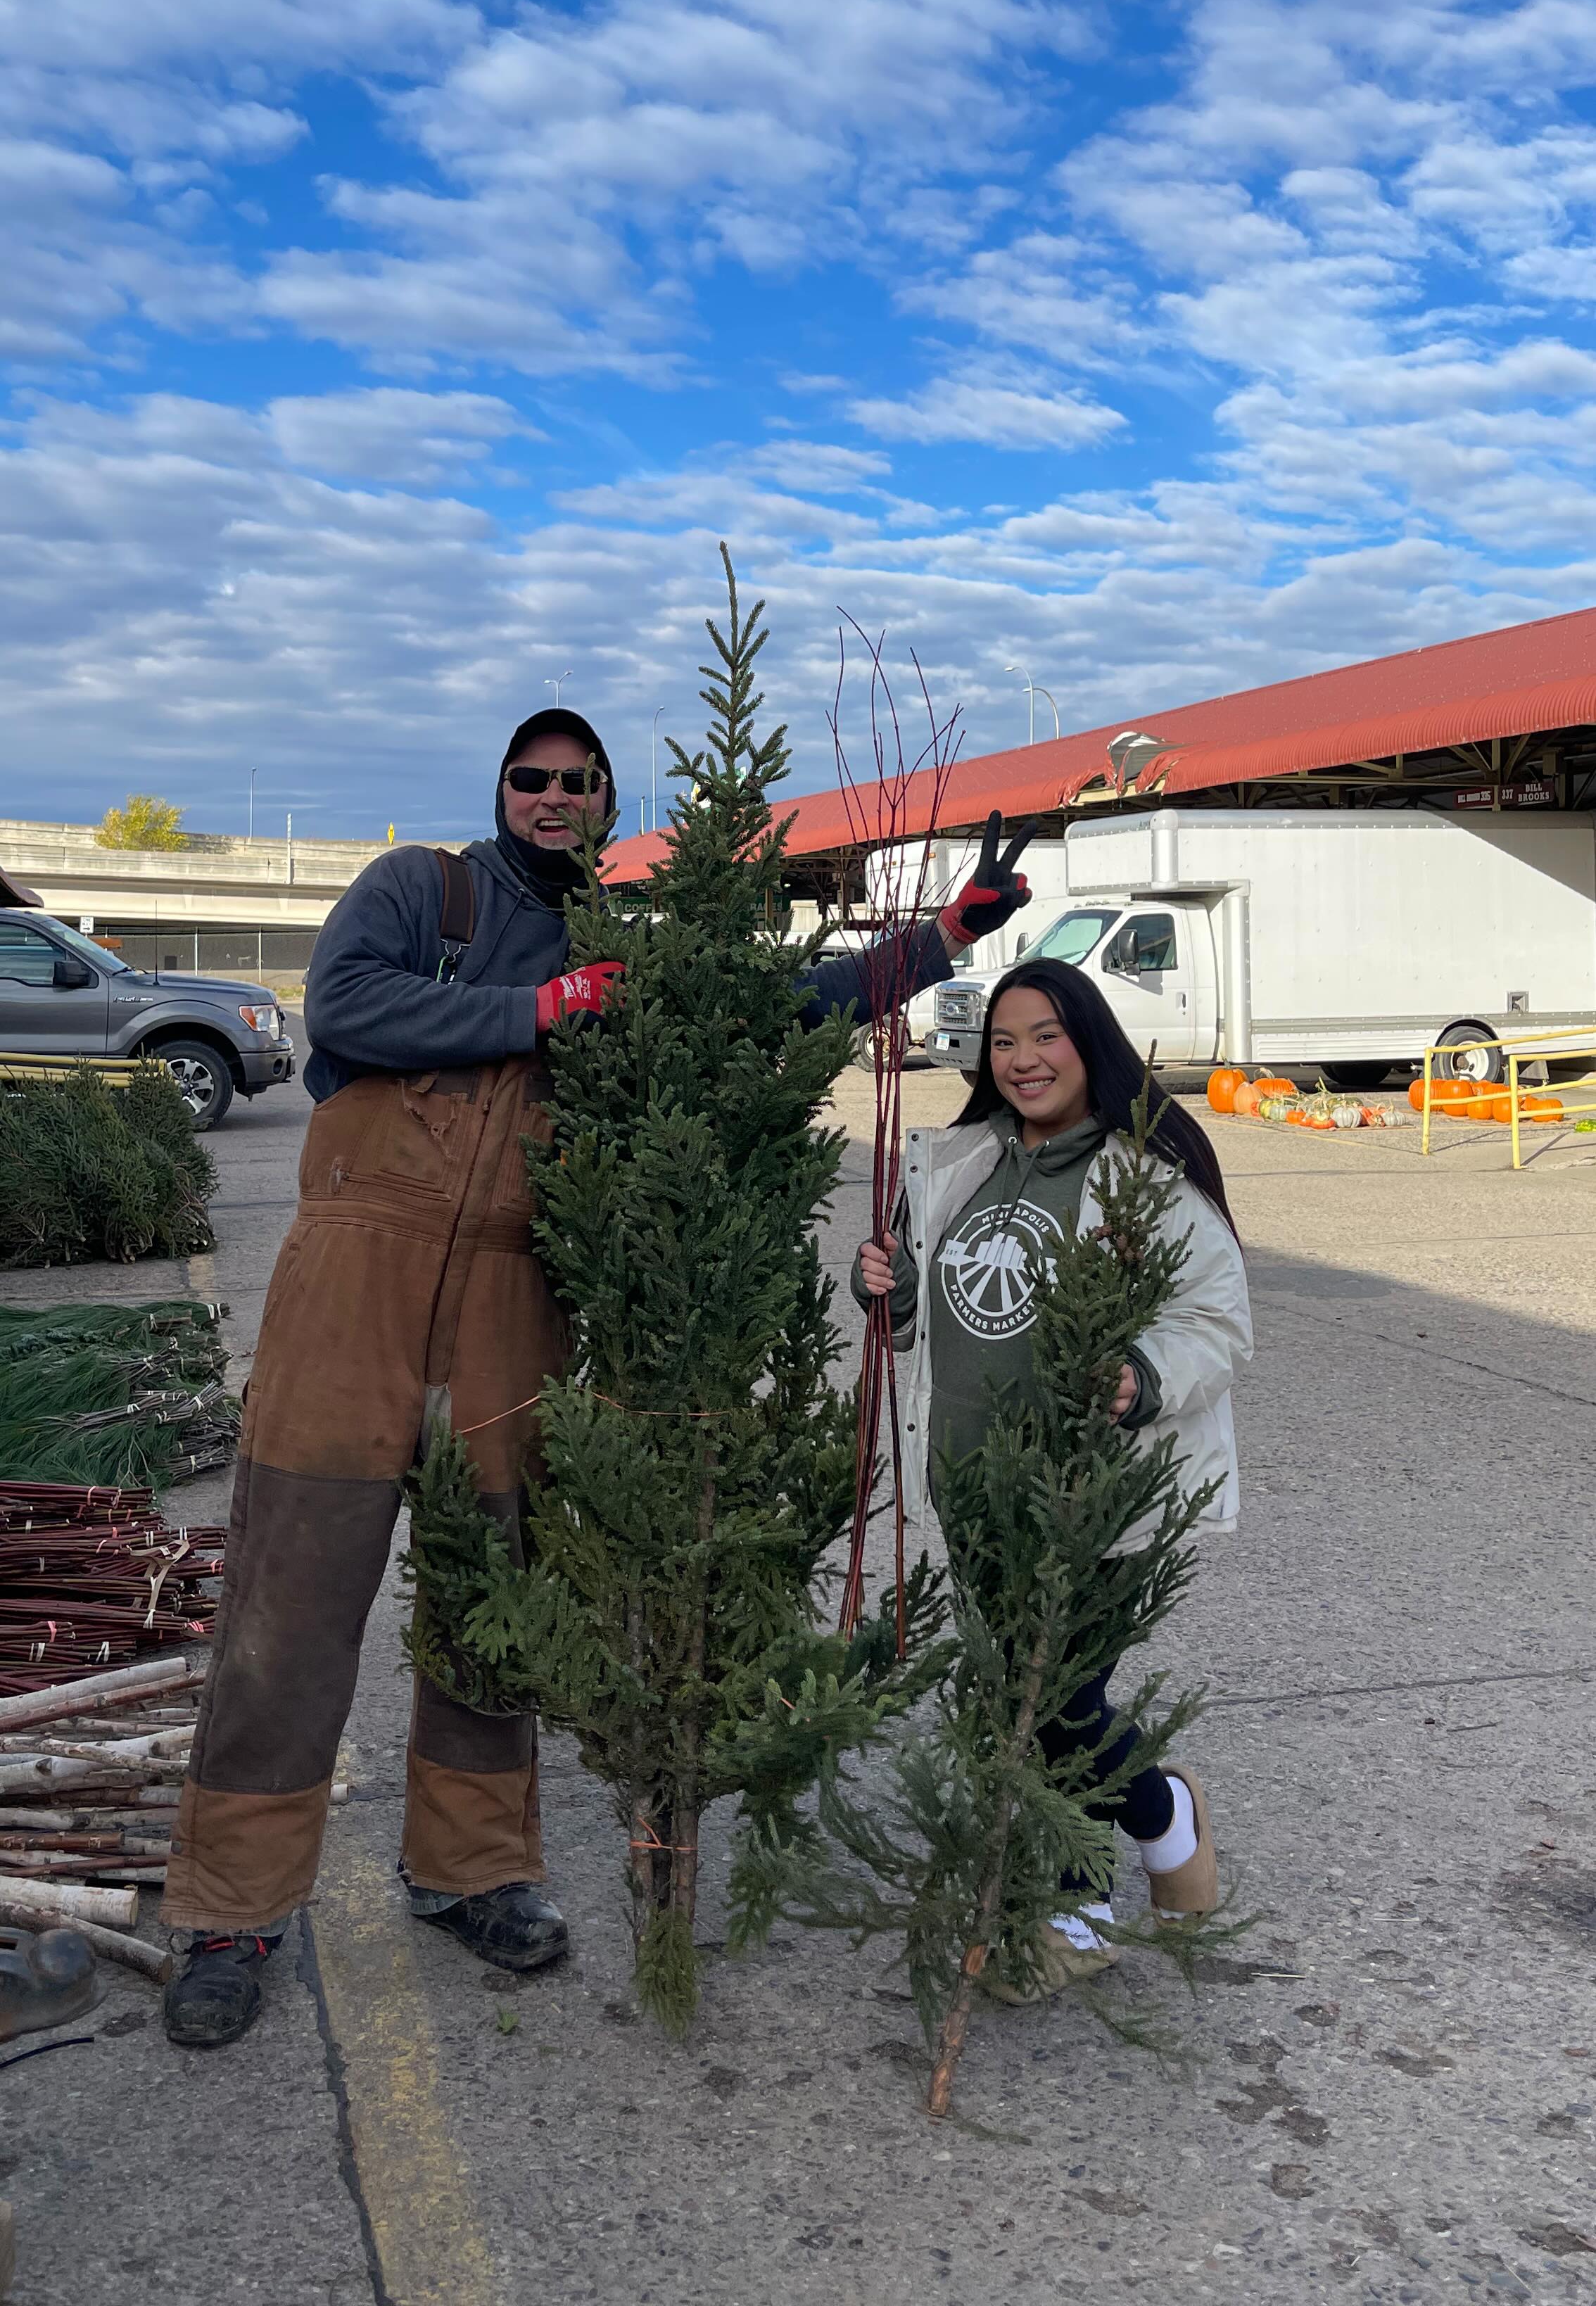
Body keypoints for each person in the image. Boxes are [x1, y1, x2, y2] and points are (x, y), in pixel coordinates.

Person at [160, 724, 1034, 2049]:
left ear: (607, 801)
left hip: (521, 1291)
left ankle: (471, 1873)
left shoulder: (632, 935)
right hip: (354, 1280)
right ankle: (229, 1911)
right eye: (534, 778)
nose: (556, 798)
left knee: (493, 1598)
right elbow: (344, 1006)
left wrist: (942, 940)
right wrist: (538, 1012)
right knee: (290, 1598)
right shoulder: (426, 894)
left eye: (581, 782)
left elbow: (770, 1008)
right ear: (501, 792)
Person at [854, 956, 1246, 1989]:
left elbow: (1219, 1321)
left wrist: (1144, 1377)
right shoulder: (956, 1162)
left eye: (1046, 1036)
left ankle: (1090, 1898)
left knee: (1059, 1699)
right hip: (974, 1490)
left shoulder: (1144, 1174)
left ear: (1091, 1042)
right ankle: (1159, 1822)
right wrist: (882, 1292)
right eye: (1004, 1041)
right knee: (1018, 1699)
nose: (1023, 1060)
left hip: (1091, 1493)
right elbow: (923, 1320)